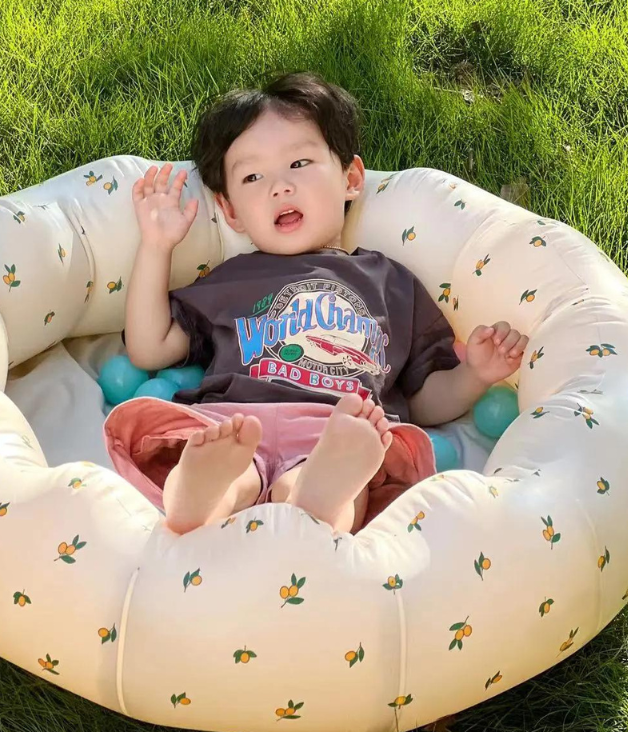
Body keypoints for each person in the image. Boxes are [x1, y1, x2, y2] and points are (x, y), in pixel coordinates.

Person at [106, 71, 528, 536]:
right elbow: (149, 349)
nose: (279, 187)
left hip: (337, 431)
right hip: (236, 425)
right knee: (232, 470)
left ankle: (314, 497)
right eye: (252, 176)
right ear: (230, 211)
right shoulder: (229, 278)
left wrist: (474, 375)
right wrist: (157, 246)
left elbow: (421, 401)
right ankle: (205, 496)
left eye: (300, 164)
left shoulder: (390, 283)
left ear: (350, 178)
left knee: (350, 468)